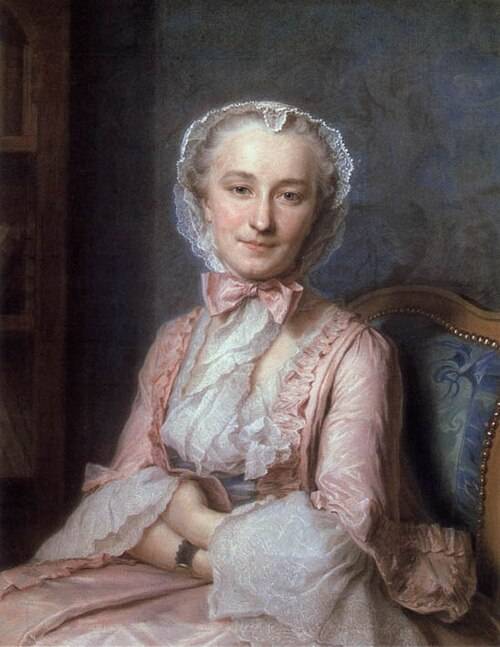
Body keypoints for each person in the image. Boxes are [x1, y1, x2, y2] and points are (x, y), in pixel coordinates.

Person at [1, 101, 499, 646]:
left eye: (289, 196)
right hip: (168, 573)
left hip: (301, 602)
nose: (261, 220)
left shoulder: (357, 352)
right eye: (240, 189)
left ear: (317, 214)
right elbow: (116, 499)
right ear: (204, 201)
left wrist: (193, 525)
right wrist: (184, 545)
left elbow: (340, 547)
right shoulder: (175, 342)